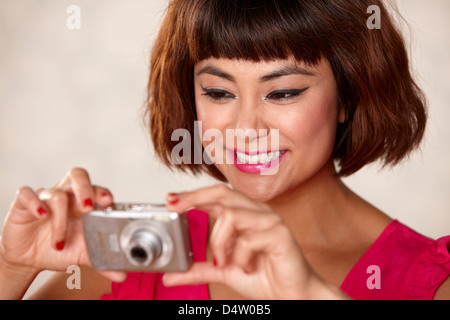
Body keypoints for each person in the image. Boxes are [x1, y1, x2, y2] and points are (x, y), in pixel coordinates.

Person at [1, 0, 449, 300]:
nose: (246, 128)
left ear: (348, 98)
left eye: (284, 92)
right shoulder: (129, 260)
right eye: (218, 93)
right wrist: (11, 268)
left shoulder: (432, 282)